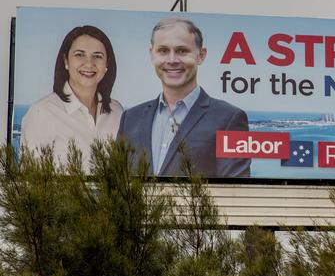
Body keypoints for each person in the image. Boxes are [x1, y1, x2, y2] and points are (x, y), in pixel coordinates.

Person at [117, 17, 250, 177]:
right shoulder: (130, 119)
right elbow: (115, 186)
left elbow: (234, 191)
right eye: (163, 51)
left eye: (182, 51)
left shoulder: (230, 119)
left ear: (200, 55)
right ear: (152, 54)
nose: (172, 60)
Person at [20, 25, 123, 170]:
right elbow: (32, 184)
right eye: (80, 54)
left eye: (97, 56)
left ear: (107, 65)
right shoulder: (42, 113)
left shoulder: (117, 112)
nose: (89, 63)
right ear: (66, 61)